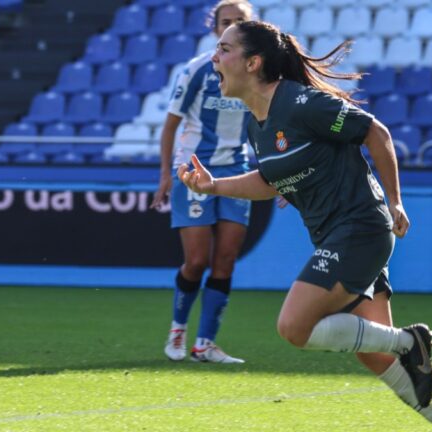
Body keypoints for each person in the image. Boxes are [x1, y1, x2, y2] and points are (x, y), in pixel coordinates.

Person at [177, 20, 432, 431]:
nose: (215, 57)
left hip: (360, 228)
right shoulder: (256, 123)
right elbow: (268, 181)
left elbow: (375, 132)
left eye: (224, 49)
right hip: (340, 236)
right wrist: (213, 185)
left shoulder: (301, 103)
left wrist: (395, 202)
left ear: (253, 62)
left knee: (294, 327)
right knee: (375, 355)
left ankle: (411, 342)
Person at [151, 0, 254, 364]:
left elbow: (264, 127)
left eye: (239, 22)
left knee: (225, 259)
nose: (231, 27)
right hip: (194, 173)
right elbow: (170, 125)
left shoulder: (257, 73)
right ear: (215, 28)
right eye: (226, 22)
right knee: (196, 261)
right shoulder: (197, 70)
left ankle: (205, 343)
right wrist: (166, 174)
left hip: (237, 171)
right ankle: (178, 329)